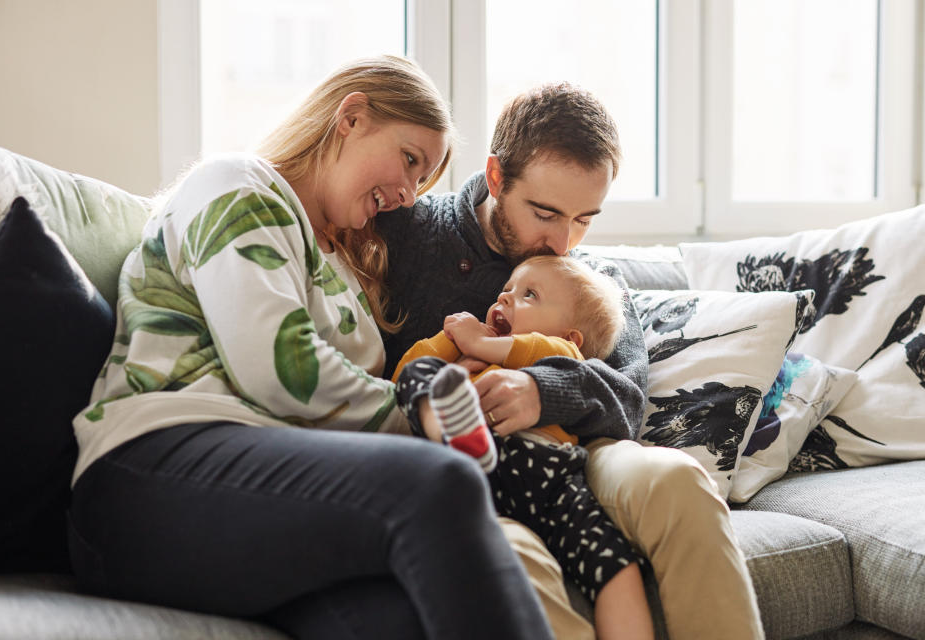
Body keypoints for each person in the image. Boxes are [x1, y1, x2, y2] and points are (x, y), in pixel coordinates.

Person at [67, 56, 555, 640]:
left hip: (263, 485)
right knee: (439, 483)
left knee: (396, 622)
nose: (407, 194)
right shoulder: (237, 185)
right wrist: (421, 412)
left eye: (421, 181)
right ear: (351, 117)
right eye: (408, 160)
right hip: (151, 470)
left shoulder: (345, 268)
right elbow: (281, 368)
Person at [376, 82, 766, 639]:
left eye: (584, 218)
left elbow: (627, 398)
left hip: (577, 453)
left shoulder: (591, 279)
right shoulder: (412, 234)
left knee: (679, 480)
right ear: (495, 178)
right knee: (507, 555)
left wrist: (542, 389)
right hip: (467, 465)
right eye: (545, 212)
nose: (563, 242)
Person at [393, 254, 655, 640]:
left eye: (529, 295)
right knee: (417, 376)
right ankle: (453, 432)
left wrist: (482, 342)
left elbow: (536, 350)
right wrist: (446, 343)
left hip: (547, 473)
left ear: (571, 337)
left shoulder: (563, 355)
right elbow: (402, 377)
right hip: (472, 469)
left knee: (615, 567)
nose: (507, 298)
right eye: (507, 290)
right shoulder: (468, 359)